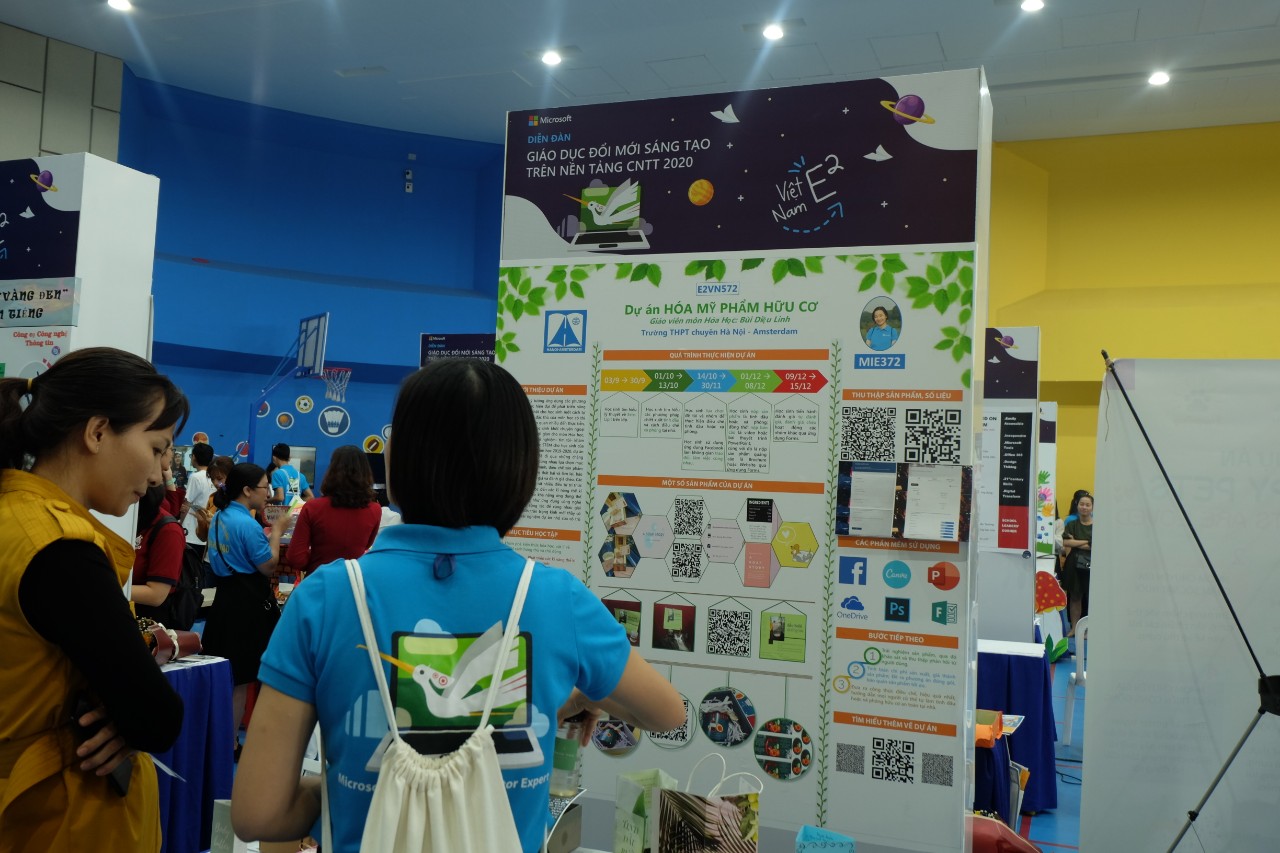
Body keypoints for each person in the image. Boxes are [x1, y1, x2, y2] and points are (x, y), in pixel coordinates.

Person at [233, 359, 684, 852]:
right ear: (521, 467)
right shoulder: (558, 599)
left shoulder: (325, 597)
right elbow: (667, 713)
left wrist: (350, 795)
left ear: (397, 459)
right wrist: (580, 698)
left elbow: (258, 813)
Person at [0, 347, 187, 851]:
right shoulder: (60, 551)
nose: (158, 476)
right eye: (156, 448)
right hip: (59, 818)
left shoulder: (13, 514)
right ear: (98, 432)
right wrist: (129, 717)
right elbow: (155, 717)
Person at [201, 463, 291, 751]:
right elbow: (268, 566)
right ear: (248, 490)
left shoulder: (219, 517)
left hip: (223, 602)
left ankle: (216, 741)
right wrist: (276, 533)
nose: (269, 494)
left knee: (224, 674)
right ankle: (229, 744)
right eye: (265, 487)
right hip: (246, 607)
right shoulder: (247, 525)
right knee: (240, 681)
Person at [285, 445, 381, 577]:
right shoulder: (375, 510)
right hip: (354, 583)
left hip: (318, 580)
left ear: (332, 471)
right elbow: (365, 546)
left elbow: (295, 558)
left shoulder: (312, 508)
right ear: (366, 473)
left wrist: (316, 560)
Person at [131, 483, 186, 626]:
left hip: (149, 619)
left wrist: (106, 588)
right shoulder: (132, 520)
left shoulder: (168, 530)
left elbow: (156, 595)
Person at [1062, 493, 1094, 634]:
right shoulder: (1071, 524)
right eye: (1082, 504)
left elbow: (1096, 545)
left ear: (1092, 507)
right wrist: (1087, 541)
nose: (1084, 507)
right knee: (1075, 597)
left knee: (1091, 598)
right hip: (1073, 565)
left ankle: (1088, 629)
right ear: (1077, 505)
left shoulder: (1098, 526)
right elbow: (1066, 542)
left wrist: (1076, 541)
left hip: (1092, 565)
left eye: (1087, 505)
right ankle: (1075, 628)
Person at [181, 442, 216, 570]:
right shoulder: (214, 477)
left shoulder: (195, 477)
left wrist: (180, 523)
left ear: (194, 457)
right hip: (206, 532)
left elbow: (186, 504)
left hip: (191, 532)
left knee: (187, 571)